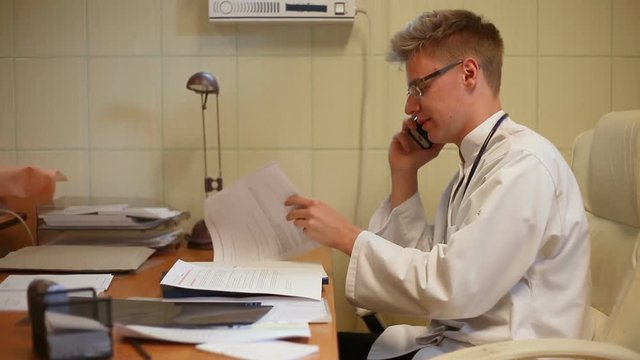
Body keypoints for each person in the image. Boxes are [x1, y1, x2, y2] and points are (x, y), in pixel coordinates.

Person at [285, 9, 591, 360]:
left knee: (306, 352)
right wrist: (404, 173)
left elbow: (452, 286)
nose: (410, 106)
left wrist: (346, 236)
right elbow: (423, 261)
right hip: (463, 348)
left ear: (469, 73)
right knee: (308, 343)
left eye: (420, 87)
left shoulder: (524, 166)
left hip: (507, 354)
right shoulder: (477, 165)